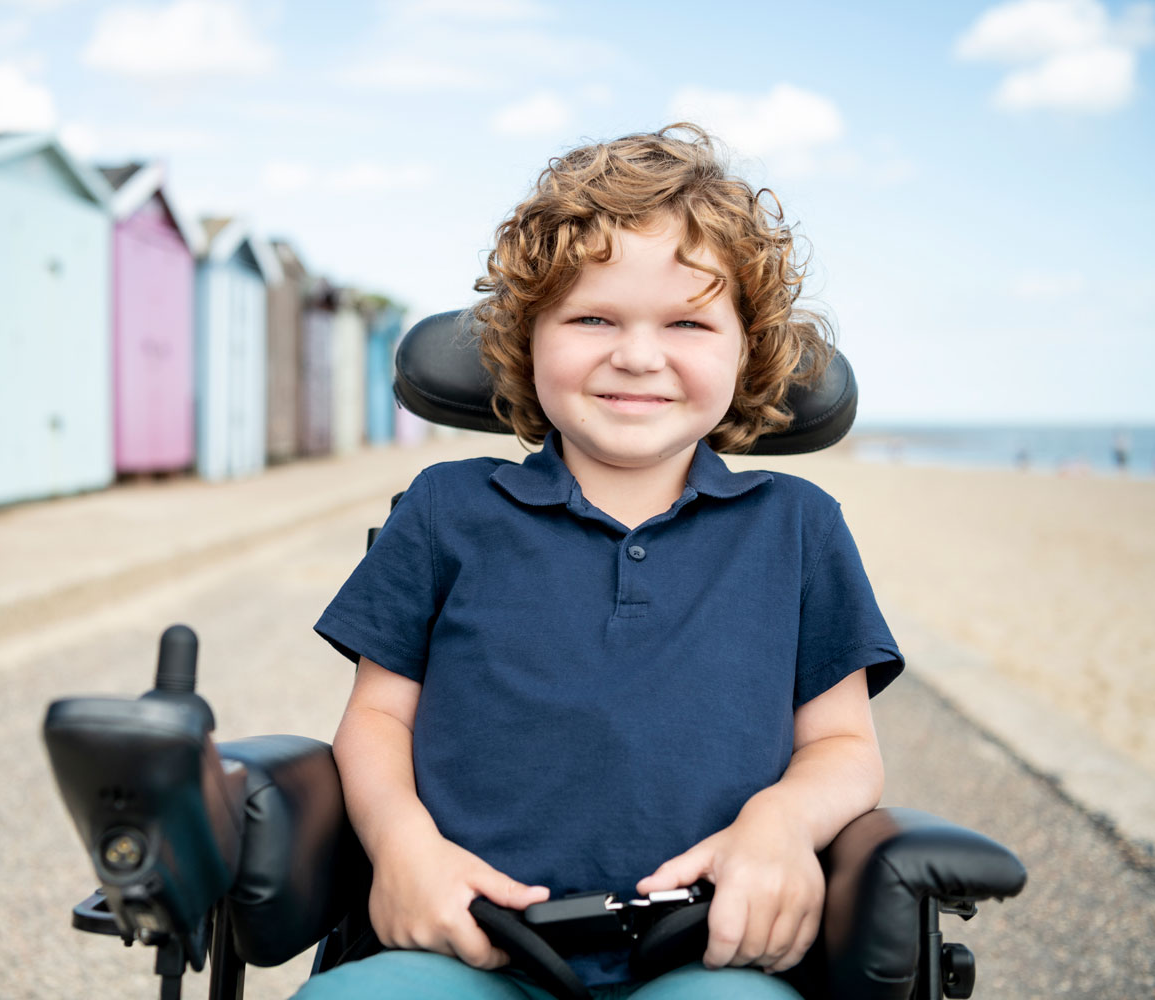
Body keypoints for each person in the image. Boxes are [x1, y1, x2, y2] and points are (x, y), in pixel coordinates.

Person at [297, 125, 903, 1000]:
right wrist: (404, 851)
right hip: (465, 942)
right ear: (527, 336)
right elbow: (377, 722)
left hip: (707, 950)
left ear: (749, 347)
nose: (637, 355)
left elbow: (845, 747)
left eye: (689, 322)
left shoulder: (797, 528)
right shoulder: (447, 511)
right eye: (592, 317)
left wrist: (779, 826)